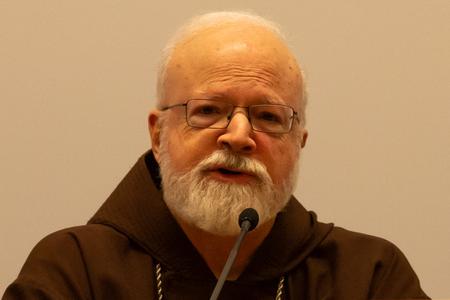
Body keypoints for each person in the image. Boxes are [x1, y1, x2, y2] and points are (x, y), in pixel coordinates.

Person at [3, 11, 429, 300]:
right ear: (158, 134)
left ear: (299, 143)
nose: (239, 135)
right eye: (208, 111)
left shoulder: (369, 277)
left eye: (267, 116)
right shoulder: (74, 272)